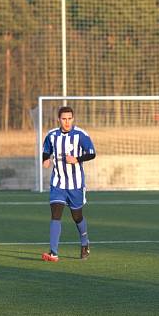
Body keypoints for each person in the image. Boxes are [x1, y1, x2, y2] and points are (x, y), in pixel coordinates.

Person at [41, 106, 96, 262]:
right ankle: (53, 252)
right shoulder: (52, 135)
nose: (67, 122)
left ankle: (84, 243)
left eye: (69, 118)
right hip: (58, 183)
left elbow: (92, 153)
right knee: (55, 215)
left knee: (77, 217)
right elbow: (46, 150)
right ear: (59, 119)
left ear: (73, 118)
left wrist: (77, 159)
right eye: (64, 119)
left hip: (76, 185)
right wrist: (45, 159)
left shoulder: (81, 135)